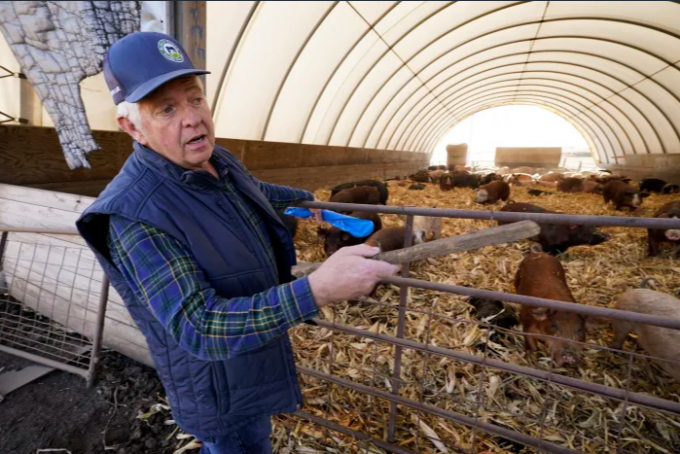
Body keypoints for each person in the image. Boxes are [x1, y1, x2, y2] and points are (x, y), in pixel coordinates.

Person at [76, 32, 399, 454]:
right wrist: (318, 289)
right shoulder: (134, 216)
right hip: (219, 390)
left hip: (250, 362)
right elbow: (200, 326)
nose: (191, 118)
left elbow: (253, 189)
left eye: (194, 98)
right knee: (241, 444)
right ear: (132, 127)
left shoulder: (214, 161)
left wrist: (311, 204)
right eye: (166, 109)